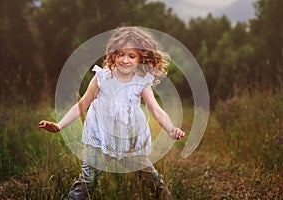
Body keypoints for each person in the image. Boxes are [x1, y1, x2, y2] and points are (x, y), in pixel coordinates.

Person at [38, 26, 185, 200]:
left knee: (151, 178)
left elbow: (156, 110)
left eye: (132, 56)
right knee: (87, 180)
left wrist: (170, 129)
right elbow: (82, 104)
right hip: (99, 139)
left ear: (141, 58)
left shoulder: (141, 82)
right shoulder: (102, 77)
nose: (125, 60)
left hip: (128, 141)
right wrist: (59, 125)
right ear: (113, 54)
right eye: (120, 54)